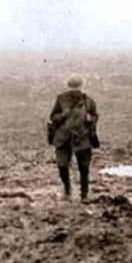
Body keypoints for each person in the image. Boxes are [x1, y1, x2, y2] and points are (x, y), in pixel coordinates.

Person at [49, 73, 99, 202]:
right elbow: (53, 117)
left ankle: (84, 195)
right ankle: (67, 188)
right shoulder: (61, 99)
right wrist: (62, 116)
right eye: (72, 87)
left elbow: (95, 116)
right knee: (62, 165)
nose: (74, 89)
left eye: (76, 87)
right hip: (63, 138)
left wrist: (91, 119)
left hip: (82, 138)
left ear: (81, 87)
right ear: (68, 87)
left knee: (84, 168)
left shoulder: (88, 101)